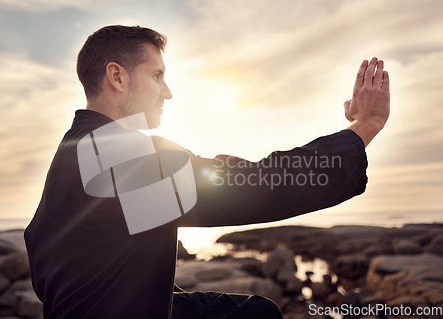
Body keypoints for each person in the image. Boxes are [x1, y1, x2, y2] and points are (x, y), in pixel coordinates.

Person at [24, 25, 390, 319]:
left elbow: (82, 270)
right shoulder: (114, 154)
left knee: (254, 312)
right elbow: (256, 185)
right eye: (157, 75)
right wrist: (364, 126)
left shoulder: (74, 152)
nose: (167, 92)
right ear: (117, 77)